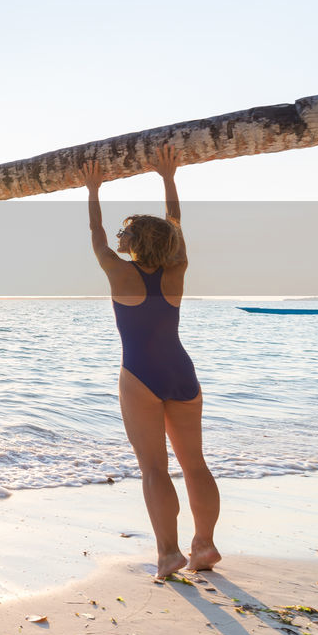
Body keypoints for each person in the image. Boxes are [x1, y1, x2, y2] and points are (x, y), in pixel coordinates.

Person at [80, 144, 221, 579]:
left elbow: (96, 234)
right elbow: (175, 228)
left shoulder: (118, 272)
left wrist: (93, 188)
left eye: (127, 236)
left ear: (135, 243)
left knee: (154, 469)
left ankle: (168, 553)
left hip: (139, 375)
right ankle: (205, 545)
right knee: (195, 464)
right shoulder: (177, 268)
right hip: (182, 372)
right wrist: (168, 177)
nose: (119, 241)